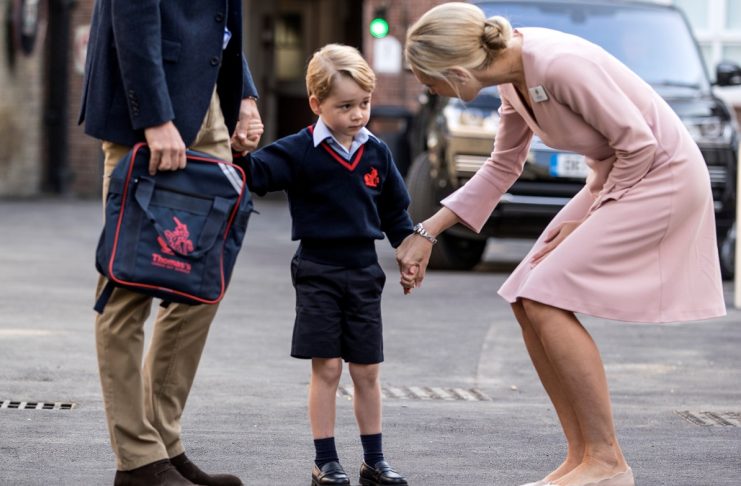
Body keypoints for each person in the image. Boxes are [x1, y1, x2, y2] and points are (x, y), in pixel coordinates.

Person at [398, 3, 726, 486]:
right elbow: (502, 167)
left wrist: (591, 218)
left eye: (430, 82)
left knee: (544, 296)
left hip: (662, 178)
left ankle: (608, 461)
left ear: (457, 72)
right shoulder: (513, 78)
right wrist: (428, 230)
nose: (429, 92)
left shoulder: (557, 63)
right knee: (523, 296)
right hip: (618, 177)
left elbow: (640, 146)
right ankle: (582, 458)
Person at [79, 1, 263, 485]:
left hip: (208, 106)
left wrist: (242, 92)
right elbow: (133, 12)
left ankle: (162, 438)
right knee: (129, 284)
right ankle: (138, 460)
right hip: (148, 109)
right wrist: (155, 116)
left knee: (203, 278)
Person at [233, 44, 410, 486]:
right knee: (327, 367)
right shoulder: (298, 151)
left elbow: (395, 214)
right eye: (345, 106)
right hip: (317, 270)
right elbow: (252, 175)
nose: (358, 115)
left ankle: (375, 460)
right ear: (316, 104)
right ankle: (326, 461)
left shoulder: (377, 154)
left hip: (365, 272)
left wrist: (408, 253)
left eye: (364, 104)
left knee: (367, 370)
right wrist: (239, 147)